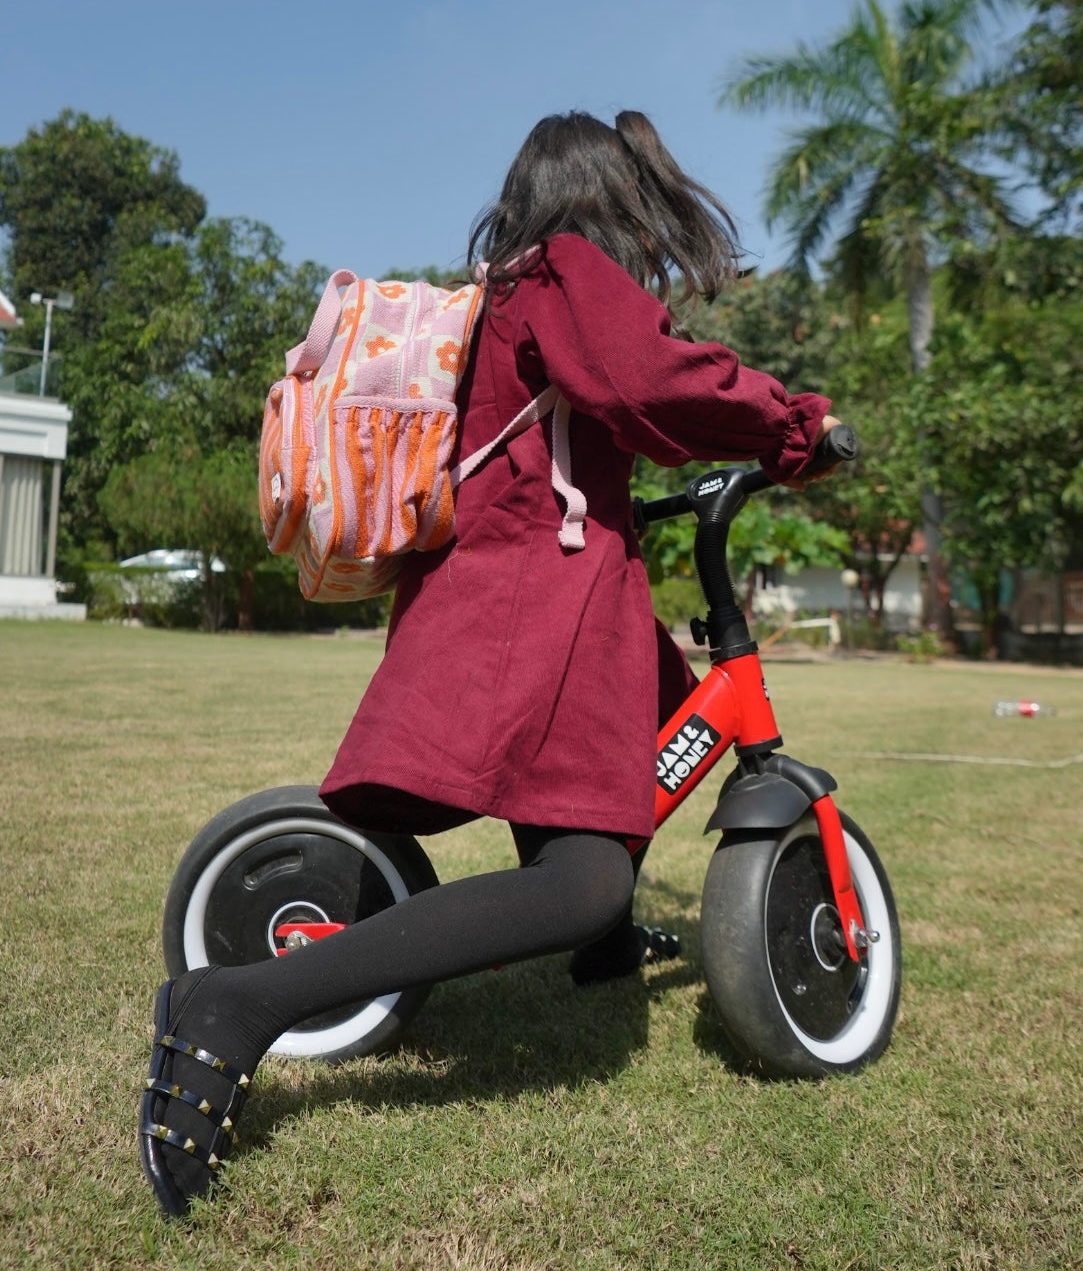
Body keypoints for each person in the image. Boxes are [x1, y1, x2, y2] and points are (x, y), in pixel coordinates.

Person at [139, 110, 837, 1215]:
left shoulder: (506, 285)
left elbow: (591, 415)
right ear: (607, 199)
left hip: (542, 590)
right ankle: (233, 1002)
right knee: (583, 873)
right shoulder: (563, 272)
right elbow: (649, 378)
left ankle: (605, 947)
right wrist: (793, 427)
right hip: (531, 603)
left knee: (638, 740)